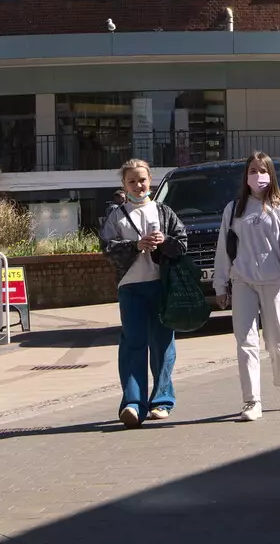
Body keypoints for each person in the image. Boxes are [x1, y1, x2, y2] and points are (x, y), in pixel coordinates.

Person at [98, 158, 188, 428]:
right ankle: (133, 403)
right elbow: (107, 248)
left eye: (142, 180)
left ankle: (162, 400)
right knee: (133, 343)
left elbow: (182, 243)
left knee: (163, 343)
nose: (138, 185)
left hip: (161, 286)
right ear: (124, 185)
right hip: (131, 287)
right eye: (132, 181)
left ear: (151, 181)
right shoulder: (116, 215)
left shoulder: (164, 211)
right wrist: (136, 245)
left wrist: (165, 242)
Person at [213, 153, 280, 422]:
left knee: (277, 342)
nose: (257, 175)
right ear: (246, 176)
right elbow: (223, 249)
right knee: (246, 342)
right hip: (243, 281)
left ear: (270, 174)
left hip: (273, 283)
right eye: (252, 170)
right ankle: (252, 400)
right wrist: (220, 284)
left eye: (262, 170)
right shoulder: (235, 209)